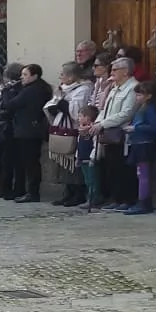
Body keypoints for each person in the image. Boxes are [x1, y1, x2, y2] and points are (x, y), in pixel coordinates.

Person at [0, 63, 53, 202]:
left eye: (25, 75)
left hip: (29, 130)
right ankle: (29, 191)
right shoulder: (36, 87)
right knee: (28, 162)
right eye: (21, 75)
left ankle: (33, 193)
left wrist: (6, 91)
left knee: (31, 163)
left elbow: (11, 104)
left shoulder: (32, 90)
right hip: (28, 129)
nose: (22, 78)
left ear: (34, 76)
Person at [93, 57, 140, 211]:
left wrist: (103, 124)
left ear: (125, 71)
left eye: (114, 70)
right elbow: (104, 110)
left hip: (123, 135)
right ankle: (116, 198)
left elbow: (126, 113)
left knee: (124, 169)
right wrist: (97, 123)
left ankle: (127, 199)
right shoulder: (114, 88)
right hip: (109, 134)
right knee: (112, 168)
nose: (111, 72)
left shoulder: (132, 88)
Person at [48, 62, 94, 207]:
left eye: (62, 74)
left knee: (74, 163)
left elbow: (77, 110)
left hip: (74, 128)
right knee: (64, 164)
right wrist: (53, 107)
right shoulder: (63, 88)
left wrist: (62, 104)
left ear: (71, 76)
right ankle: (67, 192)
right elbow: (53, 102)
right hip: (61, 127)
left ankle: (78, 193)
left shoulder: (84, 88)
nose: (60, 77)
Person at [122, 78, 156, 214]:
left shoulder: (150, 109)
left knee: (144, 175)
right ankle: (142, 201)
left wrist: (135, 128)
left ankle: (144, 202)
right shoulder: (141, 108)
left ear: (149, 96)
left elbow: (154, 126)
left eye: (140, 95)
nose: (137, 97)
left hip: (145, 145)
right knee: (141, 174)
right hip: (138, 144)